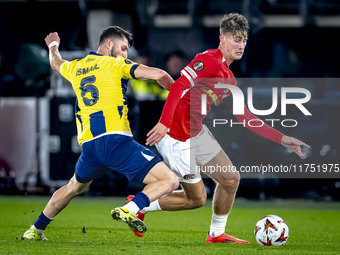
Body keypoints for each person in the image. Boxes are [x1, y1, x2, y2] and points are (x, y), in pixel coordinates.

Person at [129, 13, 310, 243]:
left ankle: (216, 234)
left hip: (197, 132)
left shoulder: (229, 79)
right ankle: (140, 204)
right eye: (236, 39)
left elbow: (246, 117)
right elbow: (178, 88)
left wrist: (283, 138)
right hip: (175, 135)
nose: (241, 44)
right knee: (196, 200)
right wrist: (164, 123)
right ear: (222, 38)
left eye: (244, 40)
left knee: (231, 179)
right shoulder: (209, 60)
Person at [23, 26, 179, 241]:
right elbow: (160, 74)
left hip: (90, 147)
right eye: (123, 48)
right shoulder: (116, 64)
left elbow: (55, 63)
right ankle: (131, 209)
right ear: (108, 44)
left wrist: (53, 45)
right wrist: (177, 96)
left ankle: (35, 230)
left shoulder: (76, 67)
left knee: (73, 187)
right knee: (170, 181)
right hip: (116, 141)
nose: (125, 54)